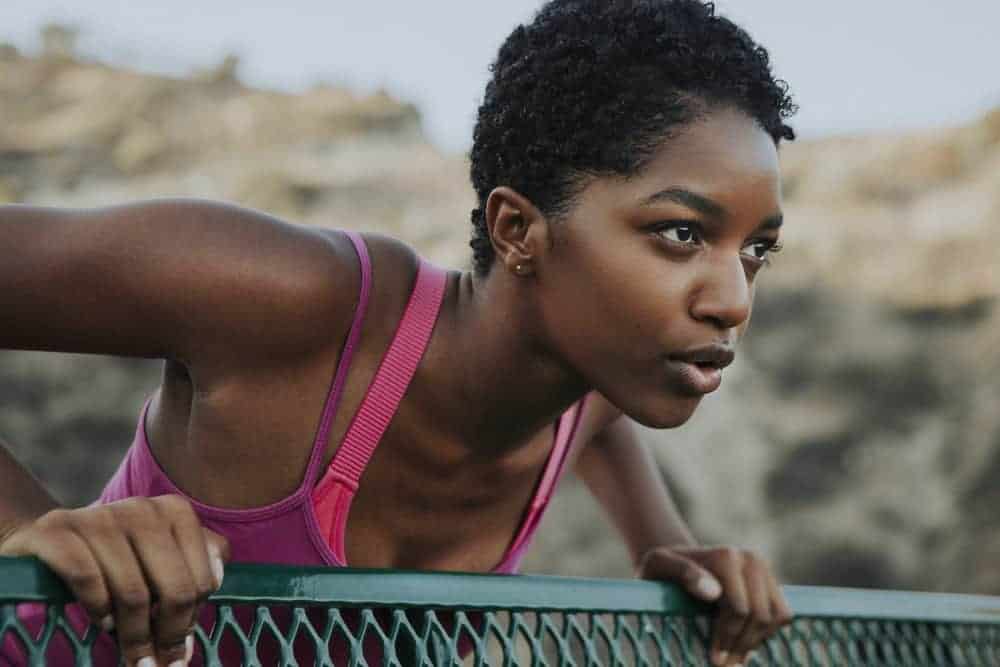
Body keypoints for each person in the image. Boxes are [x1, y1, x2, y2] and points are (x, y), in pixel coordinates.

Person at [0, 0, 798, 665]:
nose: (734, 301)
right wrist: (35, 528)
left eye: (757, 248)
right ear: (518, 229)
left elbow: (597, 426)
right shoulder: (292, 301)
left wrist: (665, 543)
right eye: (681, 234)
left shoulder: (586, 386)